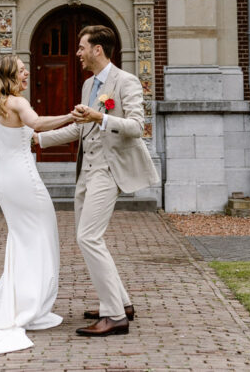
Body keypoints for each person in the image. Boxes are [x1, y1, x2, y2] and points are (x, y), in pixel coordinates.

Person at [34, 25, 160, 337]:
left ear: (97, 50)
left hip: (109, 170)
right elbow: (80, 129)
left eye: (81, 47)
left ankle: (115, 316)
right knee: (87, 236)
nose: (77, 53)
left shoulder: (126, 81)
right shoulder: (89, 84)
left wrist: (101, 117)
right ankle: (122, 303)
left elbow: (137, 126)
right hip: (86, 172)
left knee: (89, 237)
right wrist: (37, 140)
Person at [0, 54, 75, 356]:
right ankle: (31, 304)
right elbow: (37, 124)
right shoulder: (18, 103)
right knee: (43, 235)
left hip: (4, 179)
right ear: (9, 76)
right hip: (24, 177)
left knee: (21, 240)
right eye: (22, 71)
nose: (26, 75)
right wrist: (72, 116)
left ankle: (21, 301)